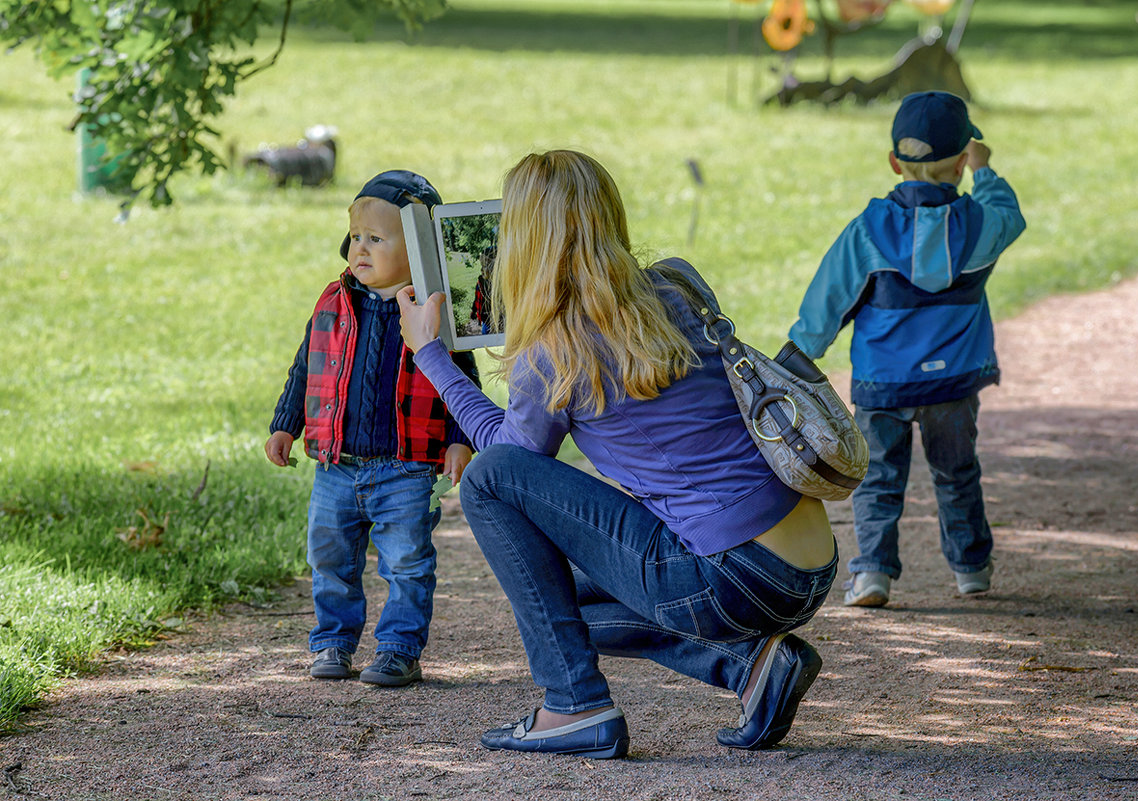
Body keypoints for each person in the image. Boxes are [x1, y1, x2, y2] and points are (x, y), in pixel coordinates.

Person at [396, 150, 838, 759]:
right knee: (559, 598)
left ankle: (573, 705)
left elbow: (508, 464)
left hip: (735, 576)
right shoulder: (679, 286)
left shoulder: (555, 349)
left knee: (487, 480)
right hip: (808, 564)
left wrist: (432, 355)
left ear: (520, 240)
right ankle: (754, 666)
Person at [788, 91, 1026, 608]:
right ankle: (971, 568)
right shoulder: (982, 226)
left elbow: (828, 299)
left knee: (878, 479)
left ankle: (873, 572)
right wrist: (986, 173)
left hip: (883, 383)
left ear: (894, 163)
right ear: (963, 162)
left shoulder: (867, 232)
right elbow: (1010, 213)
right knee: (957, 472)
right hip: (953, 384)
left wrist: (800, 357)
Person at [265, 170, 479, 686]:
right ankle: (334, 643)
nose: (360, 249)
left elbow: (460, 380)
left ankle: (399, 649)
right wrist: (285, 425)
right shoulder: (332, 302)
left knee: (407, 562)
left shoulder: (433, 314)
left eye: (377, 239)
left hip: (406, 469)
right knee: (330, 558)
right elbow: (305, 367)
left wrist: (459, 438)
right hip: (337, 467)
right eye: (356, 237)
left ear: (420, 251)